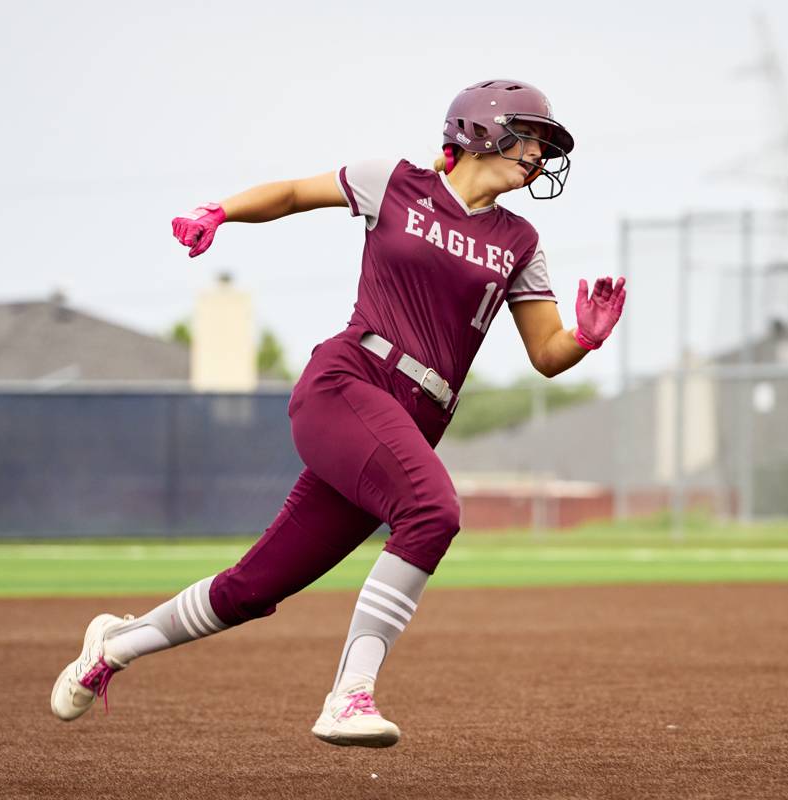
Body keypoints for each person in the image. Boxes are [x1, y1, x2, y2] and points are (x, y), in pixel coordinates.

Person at [50, 79, 626, 748]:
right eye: (530, 136)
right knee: (432, 511)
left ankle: (112, 646)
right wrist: (220, 211)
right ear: (479, 128)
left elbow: (545, 354)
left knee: (251, 589)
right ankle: (350, 695)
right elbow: (295, 195)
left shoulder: (520, 241)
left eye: (545, 145)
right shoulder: (396, 181)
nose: (538, 155)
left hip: (410, 422)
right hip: (348, 381)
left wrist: (583, 338)